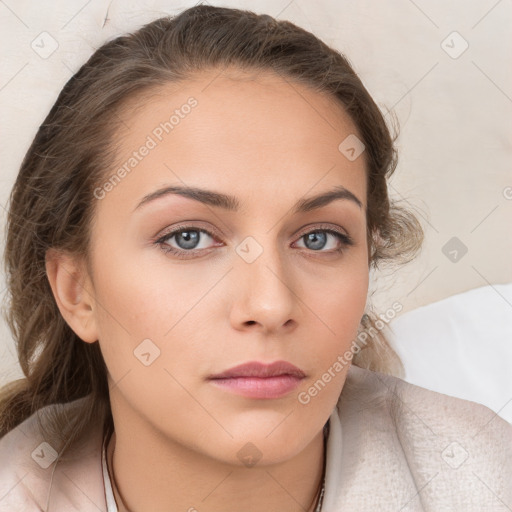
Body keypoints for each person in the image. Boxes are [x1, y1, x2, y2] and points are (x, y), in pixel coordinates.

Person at [0, 5, 510, 511]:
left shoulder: (484, 478)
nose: (270, 304)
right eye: (189, 238)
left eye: (319, 238)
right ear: (76, 290)